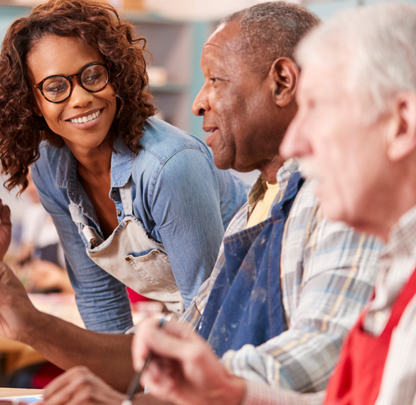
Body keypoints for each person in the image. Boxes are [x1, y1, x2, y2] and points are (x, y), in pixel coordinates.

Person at [0, 1, 383, 397]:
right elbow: (198, 339)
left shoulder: (332, 199)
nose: (198, 103)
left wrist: (135, 400)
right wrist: (37, 330)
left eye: (215, 79)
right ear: (33, 100)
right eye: (54, 87)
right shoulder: (257, 207)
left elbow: (268, 360)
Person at [129, 3, 416, 404]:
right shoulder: (255, 209)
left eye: (318, 107)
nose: (297, 144)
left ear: (401, 123)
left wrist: (210, 384)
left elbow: (324, 353)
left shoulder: (340, 202)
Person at [0, 0, 248, 333]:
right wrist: (113, 384)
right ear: (33, 102)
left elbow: (211, 311)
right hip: (206, 327)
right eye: (55, 87)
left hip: (254, 320)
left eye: (92, 75)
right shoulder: (50, 168)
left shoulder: (168, 167)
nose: (79, 98)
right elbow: (98, 297)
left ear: (116, 75)